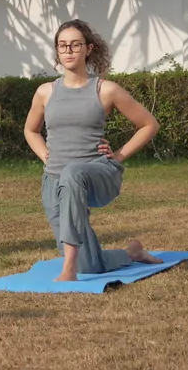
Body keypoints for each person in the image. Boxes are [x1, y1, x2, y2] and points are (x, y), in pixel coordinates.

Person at [24, 19, 162, 282]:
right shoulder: (45, 92)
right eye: (62, 45)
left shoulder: (105, 89)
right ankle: (131, 253)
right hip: (55, 180)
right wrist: (44, 154)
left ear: (88, 49)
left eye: (75, 45)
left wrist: (118, 155)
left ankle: (68, 269)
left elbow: (149, 124)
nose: (68, 50)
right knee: (90, 265)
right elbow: (31, 130)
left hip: (97, 174)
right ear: (57, 50)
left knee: (73, 174)